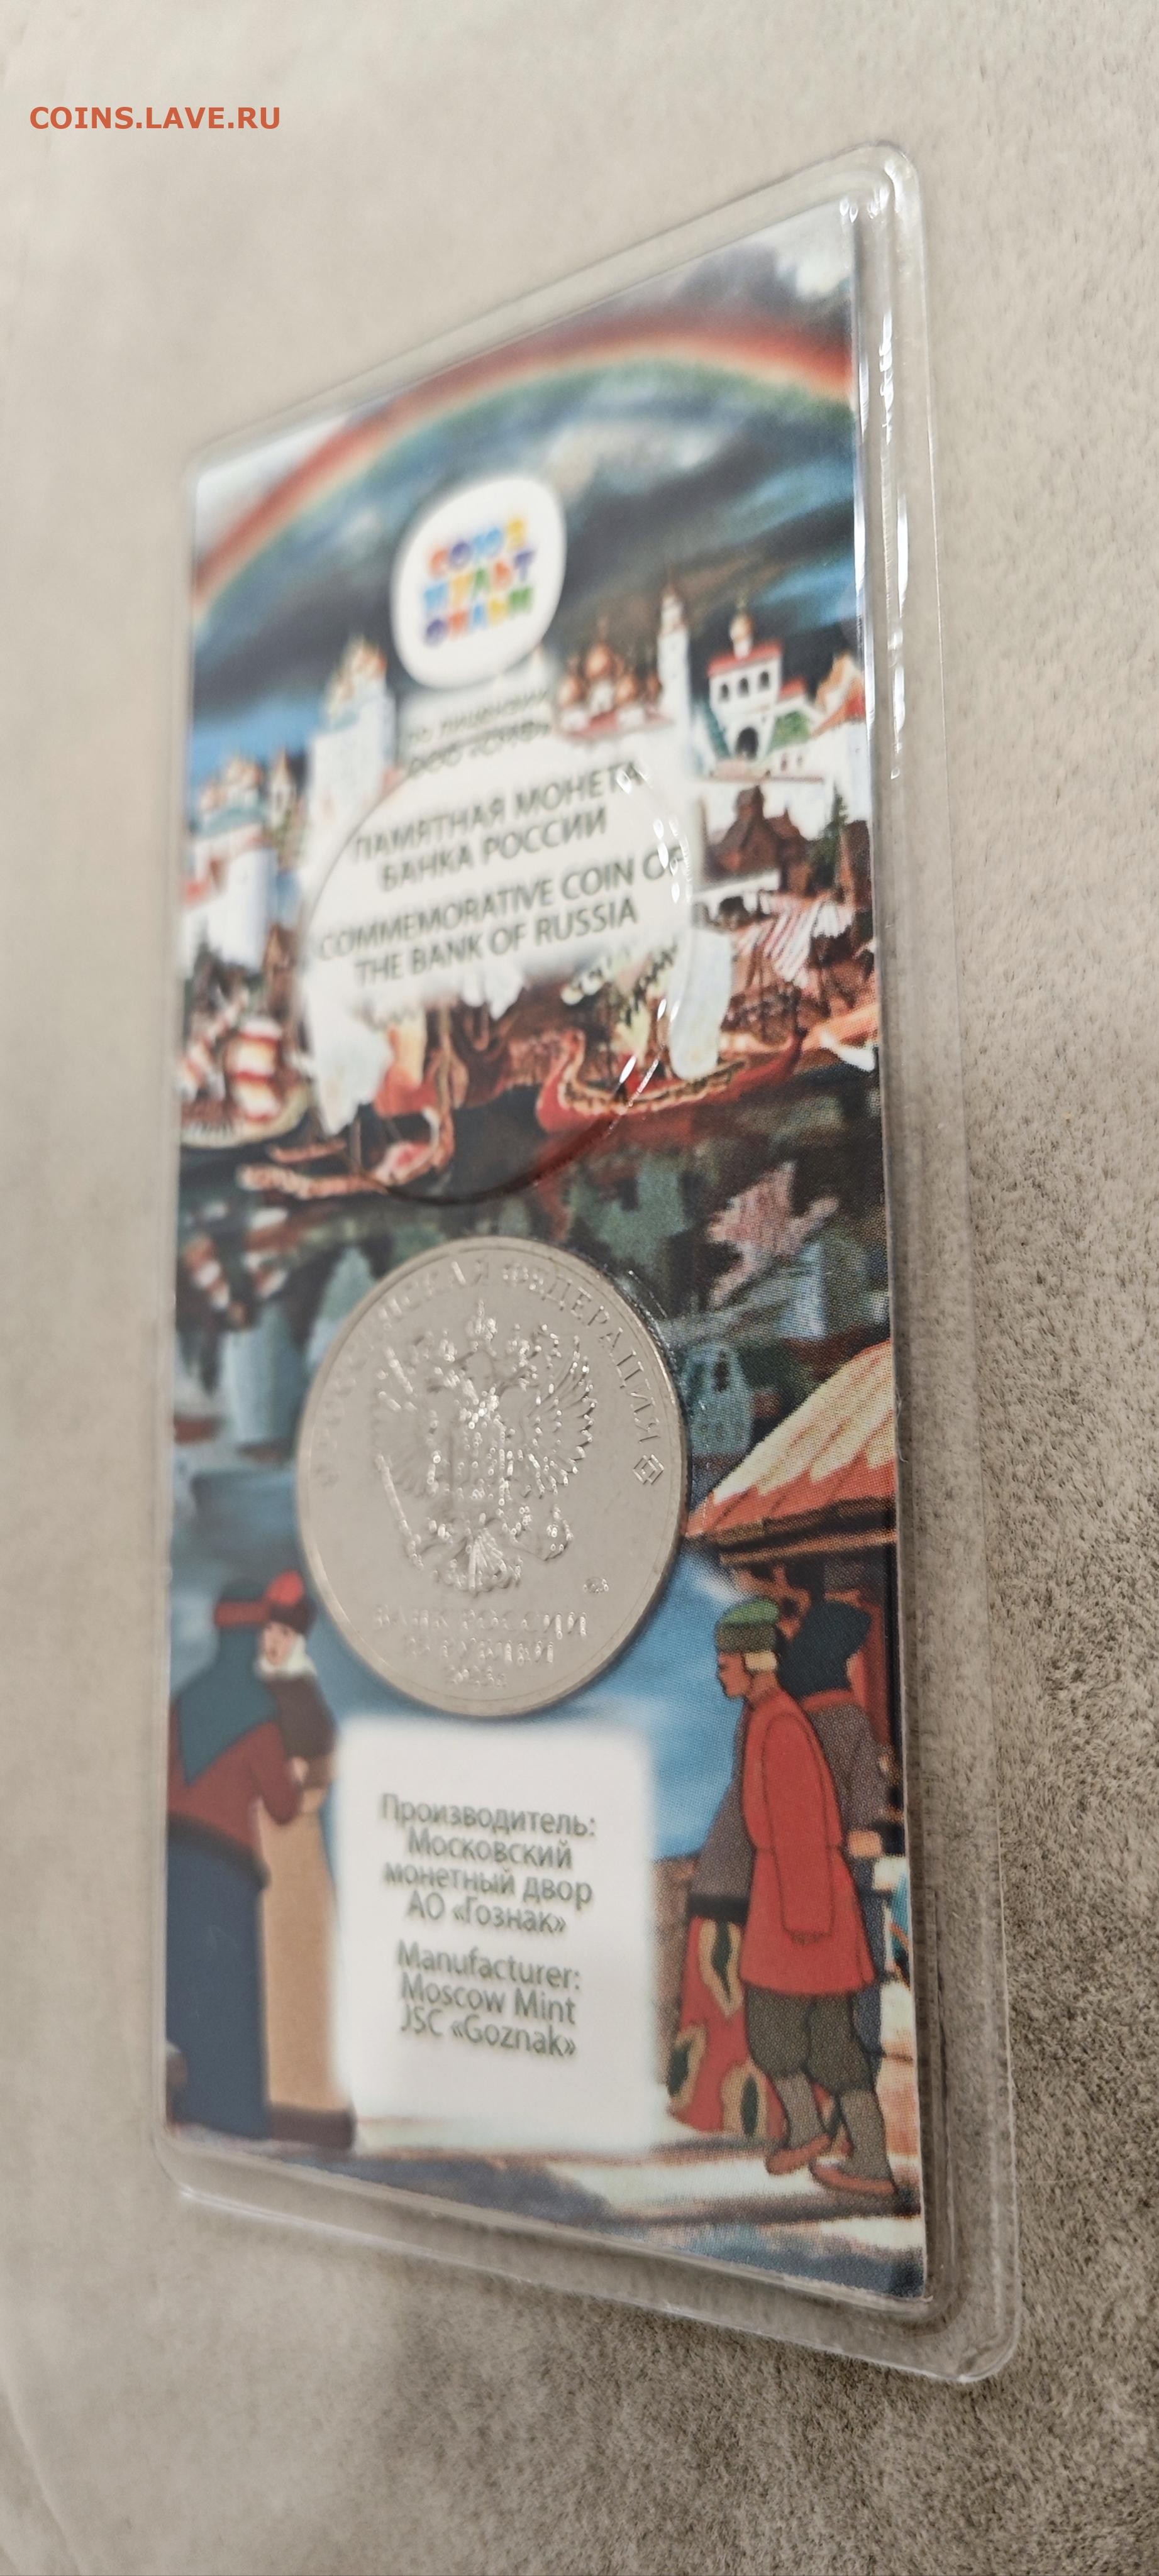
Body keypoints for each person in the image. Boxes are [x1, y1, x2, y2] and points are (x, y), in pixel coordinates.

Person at [723, 1597, 897, 2199]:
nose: (720, 1673)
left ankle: (842, 2148)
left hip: (801, 1907)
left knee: (791, 2034)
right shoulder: (785, 1718)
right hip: (807, 1899)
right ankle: (845, 2149)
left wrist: (804, 1922)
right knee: (832, 2039)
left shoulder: (782, 1724)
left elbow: (799, 1828)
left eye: (726, 1662)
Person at [167, 1578, 304, 2138]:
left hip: (175, 1856)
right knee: (229, 1995)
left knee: (184, 1983)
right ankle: (230, 2114)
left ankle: (187, 2101)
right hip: (225, 1867)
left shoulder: (185, 1698)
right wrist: (299, 1775)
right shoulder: (259, 1713)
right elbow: (283, 1807)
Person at [253, 1571, 353, 2150]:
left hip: (296, 1850)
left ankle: (310, 2098)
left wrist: (305, 1780)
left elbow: (329, 1758)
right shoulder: (259, 1692)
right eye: (269, 1631)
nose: (273, 1641)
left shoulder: (302, 1692)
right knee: (272, 1972)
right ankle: (278, 2095)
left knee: (304, 1971)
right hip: (263, 1843)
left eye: (282, 1633)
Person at [775, 1583, 892, 2061]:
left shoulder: (787, 1718)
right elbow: (868, 1802)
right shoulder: (848, 1719)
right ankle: (863, 2048)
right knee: (864, 1958)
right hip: (848, 1861)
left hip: (798, 1865)